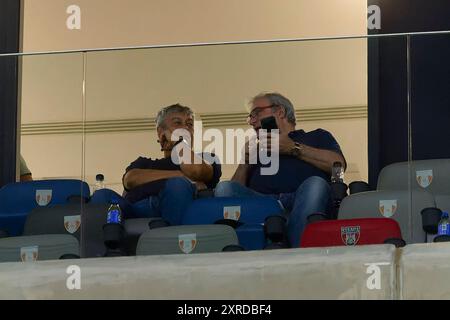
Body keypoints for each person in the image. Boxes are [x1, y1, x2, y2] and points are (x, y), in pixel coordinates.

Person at [214, 92, 346, 247]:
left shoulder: (316, 136)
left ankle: (297, 252)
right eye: (250, 117)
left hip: (304, 202)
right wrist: (245, 163)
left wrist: (294, 148)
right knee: (224, 187)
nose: (251, 121)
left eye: (256, 113)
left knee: (315, 184)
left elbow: (338, 166)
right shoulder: (257, 150)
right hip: (263, 205)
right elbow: (233, 194)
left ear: (280, 112)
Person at [92, 103, 221, 225]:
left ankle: (170, 243)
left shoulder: (206, 158)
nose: (185, 128)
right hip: (135, 209)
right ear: (161, 133)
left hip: (176, 207)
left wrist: (180, 143)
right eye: (177, 123)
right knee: (102, 195)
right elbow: (130, 179)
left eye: (190, 124)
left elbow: (196, 170)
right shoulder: (143, 162)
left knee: (177, 185)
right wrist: (183, 176)